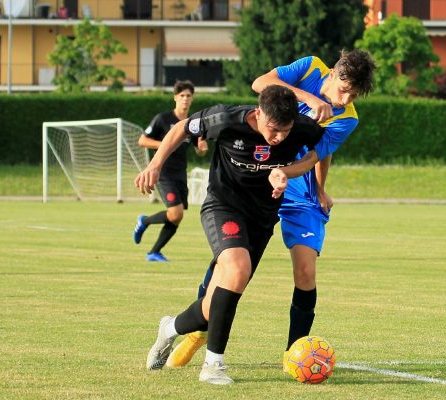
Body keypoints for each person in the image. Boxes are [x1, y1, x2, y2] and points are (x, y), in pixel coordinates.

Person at [166, 49, 376, 370]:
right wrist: (308, 97)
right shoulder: (309, 68)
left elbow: (319, 153)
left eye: (354, 94)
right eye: (343, 89)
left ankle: (295, 357)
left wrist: (319, 190)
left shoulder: (347, 118)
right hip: (257, 182)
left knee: (305, 272)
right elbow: (262, 83)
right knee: (229, 272)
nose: (346, 99)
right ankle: (196, 335)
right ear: (332, 73)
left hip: (298, 188)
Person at [135, 85, 325, 384]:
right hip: (223, 207)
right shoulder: (224, 119)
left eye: (285, 131)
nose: (279, 137)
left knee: (214, 305)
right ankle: (213, 365)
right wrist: (155, 165)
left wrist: (286, 172)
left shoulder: (302, 128)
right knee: (237, 269)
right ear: (258, 113)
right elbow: (182, 128)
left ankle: (170, 328)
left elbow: (317, 155)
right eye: (274, 130)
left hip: (262, 218)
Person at [133, 80, 208, 262]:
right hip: (163, 173)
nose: (185, 99)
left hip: (180, 173)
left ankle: (154, 252)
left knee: (176, 217)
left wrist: (201, 147)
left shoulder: (193, 124)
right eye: (181, 95)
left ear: (192, 99)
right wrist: (167, 144)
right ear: (175, 98)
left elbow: (198, 149)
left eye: (188, 96)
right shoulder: (163, 119)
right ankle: (144, 221)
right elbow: (142, 141)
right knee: (176, 213)